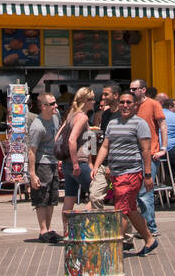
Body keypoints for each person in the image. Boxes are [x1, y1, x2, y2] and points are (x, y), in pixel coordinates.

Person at [89, 88, 158, 255]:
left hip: (132, 173)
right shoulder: (112, 123)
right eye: (122, 102)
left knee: (120, 210)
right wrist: (97, 165)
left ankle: (113, 246)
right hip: (116, 173)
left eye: (129, 103)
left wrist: (148, 175)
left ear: (135, 105)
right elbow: (106, 146)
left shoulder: (140, 123)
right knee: (130, 210)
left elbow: (146, 151)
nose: (125, 105)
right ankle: (150, 239)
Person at [58, 88, 96, 237]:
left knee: (69, 197)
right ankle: (80, 226)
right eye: (92, 100)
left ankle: (67, 231)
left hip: (67, 163)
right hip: (78, 163)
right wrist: (75, 163)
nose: (94, 102)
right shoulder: (82, 118)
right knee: (97, 194)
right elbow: (71, 140)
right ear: (86, 101)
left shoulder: (70, 116)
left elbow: (58, 138)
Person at [132, 81, 166, 242]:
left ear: (143, 90)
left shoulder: (153, 104)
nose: (132, 91)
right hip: (134, 152)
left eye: (135, 89)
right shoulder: (131, 106)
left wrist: (163, 148)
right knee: (137, 192)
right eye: (130, 89)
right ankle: (144, 226)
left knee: (145, 191)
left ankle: (150, 227)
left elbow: (163, 126)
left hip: (150, 152)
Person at [26, 92, 61, 242]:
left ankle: (49, 228)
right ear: (43, 106)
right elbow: (31, 151)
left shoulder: (55, 117)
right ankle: (43, 230)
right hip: (42, 163)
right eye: (52, 104)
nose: (56, 106)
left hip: (53, 162)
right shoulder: (37, 127)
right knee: (42, 197)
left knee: (52, 197)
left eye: (55, 103)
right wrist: (32, 175)